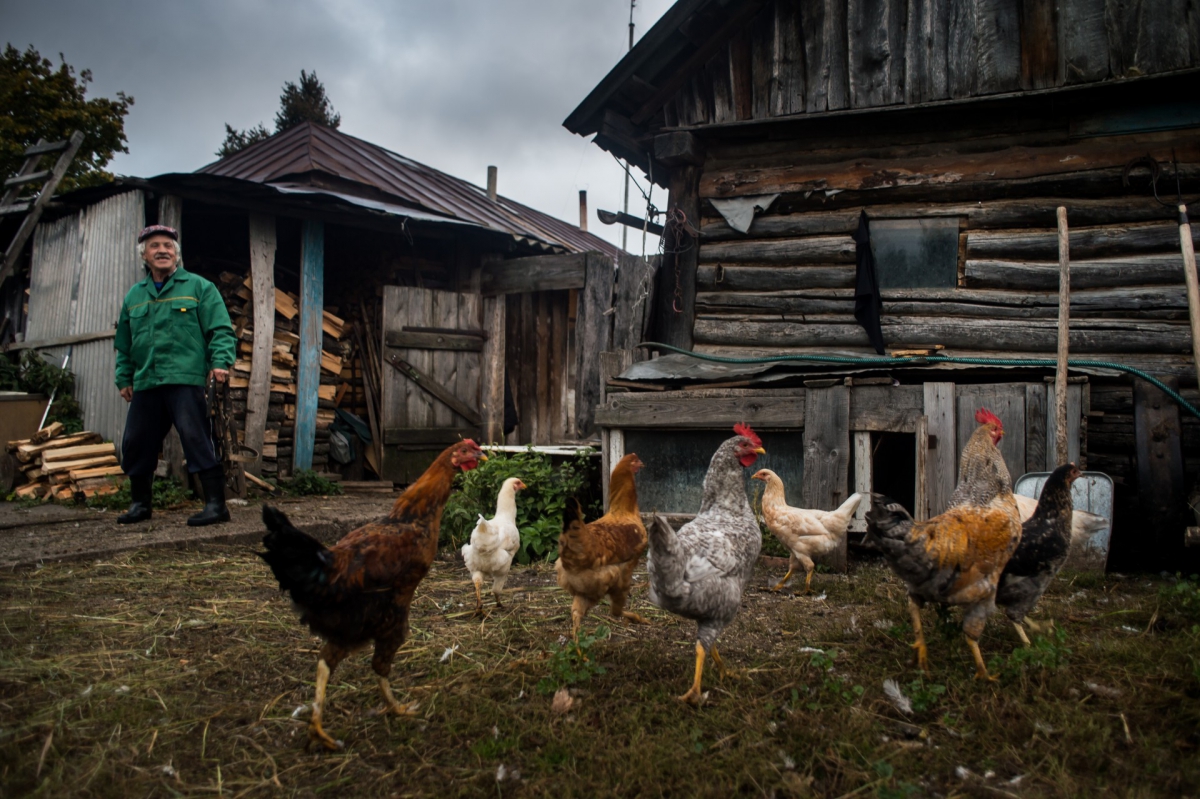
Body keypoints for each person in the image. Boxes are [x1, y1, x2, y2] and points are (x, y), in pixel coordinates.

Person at [114, 225, 236, 526]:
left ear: (176, 254)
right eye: (154, 246)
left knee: (197, 439)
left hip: (186, 378)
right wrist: (124, 377)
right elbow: (124, 343)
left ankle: (216, 506)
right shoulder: (135, 295)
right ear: (145, 255)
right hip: (147, 380)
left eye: (168, 245)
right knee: (136, 442)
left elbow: (220, 329)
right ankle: (140, 505)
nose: (162, 250)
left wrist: (220, 362)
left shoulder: (198, 287)